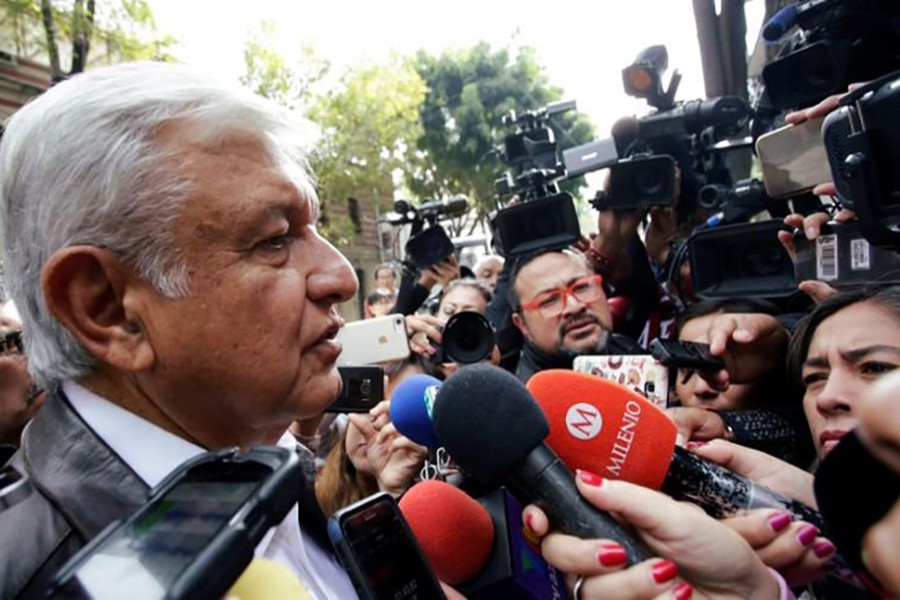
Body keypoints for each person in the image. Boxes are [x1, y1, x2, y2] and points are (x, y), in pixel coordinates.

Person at [0, 62, 359, 597]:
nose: (340, 277)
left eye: (312, 228)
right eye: (275, 239)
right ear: (108, 309)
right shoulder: (27, 574)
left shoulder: (272, 463)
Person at [508, 248, 641, 382]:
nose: (575, 307)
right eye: (549, 301)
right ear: (522, 324)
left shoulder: (630, 353)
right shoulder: (523, 399)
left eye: (581, 287)